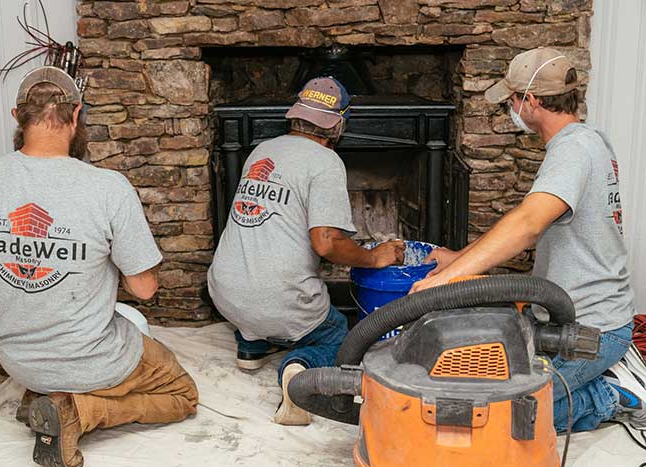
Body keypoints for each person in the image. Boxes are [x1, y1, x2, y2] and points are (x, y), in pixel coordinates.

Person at [0, 66, 198, 467]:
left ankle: (44, 397)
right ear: (76, 114)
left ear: (18, 117)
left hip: (17, 363)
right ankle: (76, 412)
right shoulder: (108, 188)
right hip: (89, 360)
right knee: (183, 394)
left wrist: (13, 258)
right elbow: (145, 288)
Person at [411, 48, 643, 432]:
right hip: (564, 318)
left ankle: (609, 395)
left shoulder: (572, 151)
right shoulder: (588, 140)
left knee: (506, 422)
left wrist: (443, 283)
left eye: (513, 100)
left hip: (590, 330)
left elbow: (527, 225)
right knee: (485, 395)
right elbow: (519, 221)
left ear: (532, 102)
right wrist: (456, 259)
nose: (510, 109)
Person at [208, 77, 405, 426]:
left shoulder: (262, 149)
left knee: (262, 298)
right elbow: (326, 242)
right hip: (276, 299)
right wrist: (375, 257)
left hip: (225, 292)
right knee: (338, 335)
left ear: (295, 116)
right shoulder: (325, 161)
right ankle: (299, 374)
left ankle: (251, 346)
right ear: (339, 123)